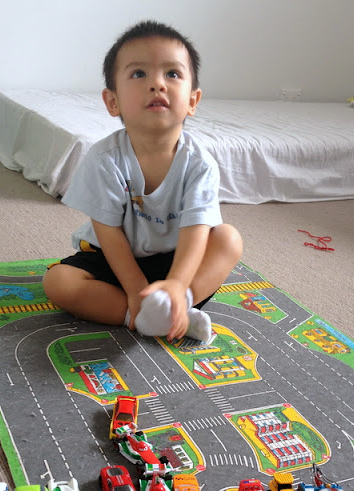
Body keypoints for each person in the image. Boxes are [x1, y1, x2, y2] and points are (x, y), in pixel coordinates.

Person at [43, 20, 242, 343]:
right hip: (113, 258)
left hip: (176, 260)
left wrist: (178, 284)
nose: (157, 84)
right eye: (139, 74)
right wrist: (136, 291)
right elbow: (109, 233)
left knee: (229, 239)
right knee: (57, 282)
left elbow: (196, 231)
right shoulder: (104, 158)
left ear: (193, 101)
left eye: (172, 74)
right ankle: (143, 316)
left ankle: (179, 305)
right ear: (113, 102)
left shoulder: (200, 163)